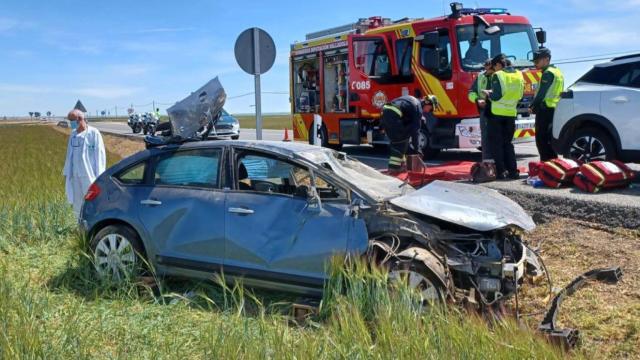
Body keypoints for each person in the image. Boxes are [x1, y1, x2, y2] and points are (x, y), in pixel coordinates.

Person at [483, 54, 524, 180]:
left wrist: (488, 93)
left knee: (497, 144)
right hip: (511, 114)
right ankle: (513, 171)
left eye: (494, 67)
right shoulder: (519, 75)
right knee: (508, 144)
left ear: (498, 65)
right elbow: (520, 95)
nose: (494, 70)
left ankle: (501, 172)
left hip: (497, 114)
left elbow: (496, 96)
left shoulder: (498, 75)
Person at [62, 109, 106, 217]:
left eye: (72, 120)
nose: (70, 123)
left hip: (89, 176)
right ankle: (78, 227)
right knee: (77, 205)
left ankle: (93, 226)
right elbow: (69, 155)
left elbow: (100, 156)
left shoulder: (93, 133)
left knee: (92, 203)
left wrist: (99, 178)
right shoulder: (73, 135)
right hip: (76, 176)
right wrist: (67, 173)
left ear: (80, 119)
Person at [381, 95, 433, 173]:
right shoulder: (418, 108)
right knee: (400, 143)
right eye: (430, 109)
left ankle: (402, 165)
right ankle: (393, 168)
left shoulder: (412, 100)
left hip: (384, 112)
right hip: (394, 115)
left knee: (401, 140)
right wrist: (417, 149)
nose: (428, 111)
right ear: (427, 104)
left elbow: (407, 122)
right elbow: (415, 131)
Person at [530, 47, 564, 161]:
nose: (535, 63)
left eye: (537, 61)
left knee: (542, 140)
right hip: (555, 109)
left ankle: (545, 165)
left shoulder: (548, 73)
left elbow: (541, 94)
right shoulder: (557, 72)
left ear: (546, 59)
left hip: (545, 110)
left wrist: (533, 106)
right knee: (550, 139)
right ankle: (553, 164)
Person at [468, 59, 494, 162]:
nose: (486, 70)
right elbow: (471, 92)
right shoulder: (480, 76)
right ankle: (487, 162)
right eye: (485, 68)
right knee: (485, 137)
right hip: (484, 110)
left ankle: (498, 163)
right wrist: (477, 99)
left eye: (489, 68)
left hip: (497, 110)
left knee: (497, 137)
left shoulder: (498, 76)